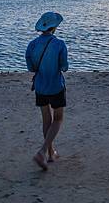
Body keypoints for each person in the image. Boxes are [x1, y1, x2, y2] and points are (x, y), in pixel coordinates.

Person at [25, 12, 68, 171]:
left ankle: (51, 153)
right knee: (58, 119)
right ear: (54, 27)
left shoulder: (32, 45)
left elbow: (31, 68)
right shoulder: (60, 44)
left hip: (40, 86)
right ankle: (43, 151)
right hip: (56, 85)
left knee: (46, 120)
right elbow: (64, 66)